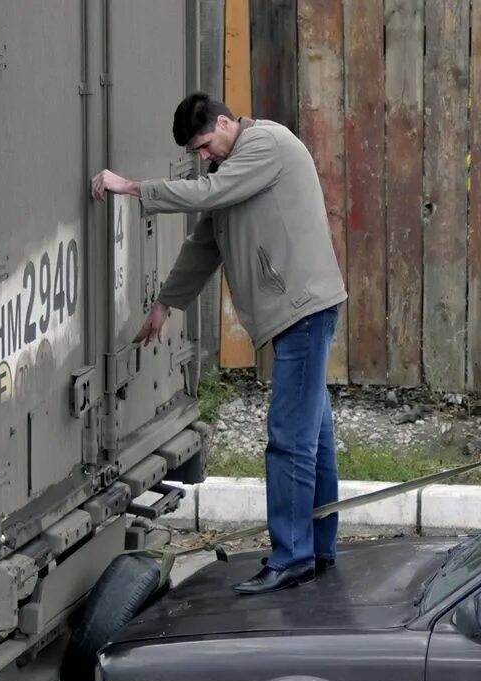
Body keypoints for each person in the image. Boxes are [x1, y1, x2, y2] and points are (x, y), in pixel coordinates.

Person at [91, 93, 347, 595]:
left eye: (205, 144)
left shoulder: (264, 144)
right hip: (299, 311)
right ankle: (318, 548)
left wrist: (133, 188)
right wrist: (166, 303)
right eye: (199, 151)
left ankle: (292, 556)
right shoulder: (235, 167)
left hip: (304, 310)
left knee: (289, 438)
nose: (204, 157)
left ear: (227, 123)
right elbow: (205, 242)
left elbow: (206, 194)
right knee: (311, 436)